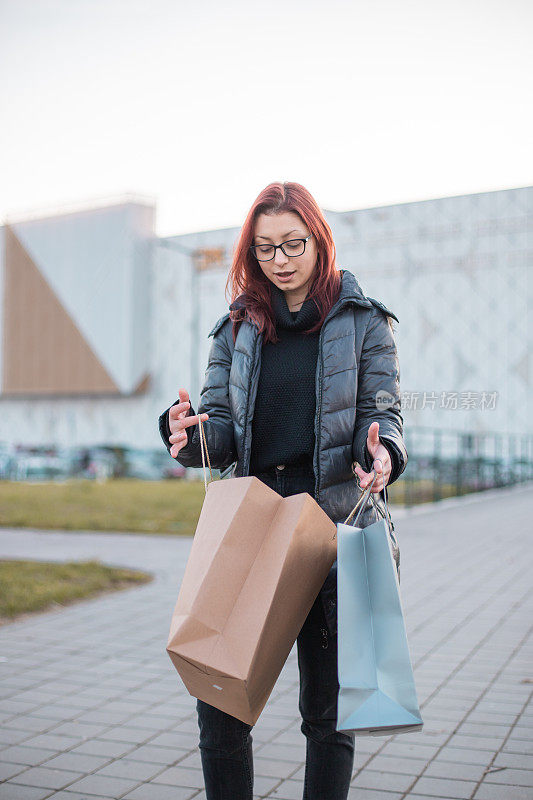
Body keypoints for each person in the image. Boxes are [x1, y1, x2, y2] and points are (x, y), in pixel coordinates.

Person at [158, 181, 407, 800]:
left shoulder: (364, 323)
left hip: (331, 536)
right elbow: (220, 430)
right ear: (252, 253)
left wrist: (384, 452)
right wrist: (187, 435)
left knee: (327, 721)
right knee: (219, 714)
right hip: (252, 534)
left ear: (319, 242)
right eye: (266, 248)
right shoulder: (236, 330)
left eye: (294, 243)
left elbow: (384, 412)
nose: (282, 259)